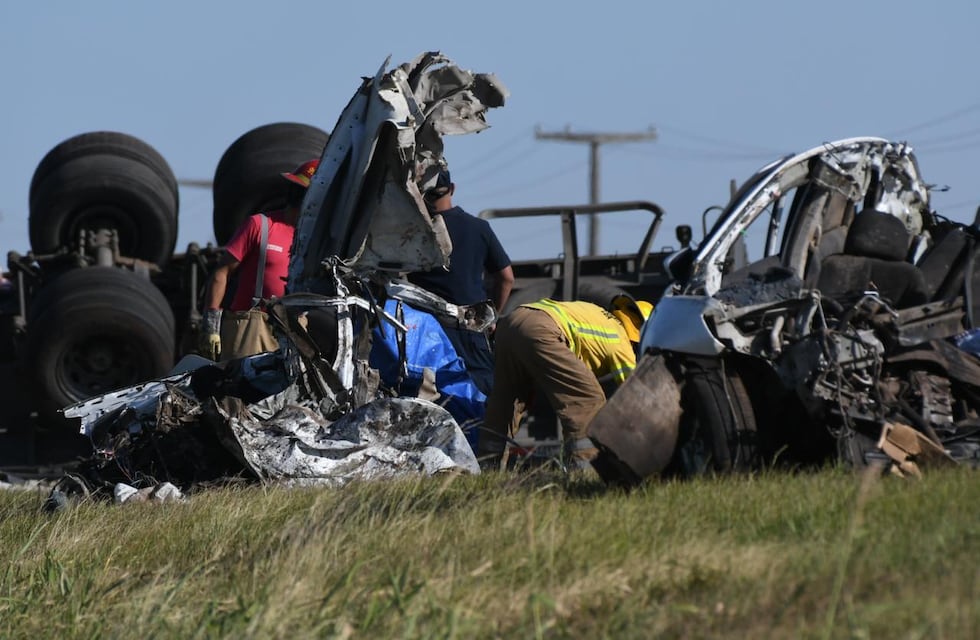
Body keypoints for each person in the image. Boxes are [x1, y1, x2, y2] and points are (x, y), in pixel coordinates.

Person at [477, 294, 653, 470]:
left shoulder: (601, 317)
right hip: (540, 329)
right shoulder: (621, 339)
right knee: (587, 400)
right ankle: (585, 470)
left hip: (510, 323)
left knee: (506, 401)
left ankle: (488, 465)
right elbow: (633, 393)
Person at [407, 166, 515, 395]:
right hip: (471, 327)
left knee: (427, 393)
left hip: (427, 331)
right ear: (452, 189)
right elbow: (506, 278)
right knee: (482, 394)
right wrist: (492, 316)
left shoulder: (412, 232)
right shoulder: (479, 228)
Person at [200, 158, 319, 362]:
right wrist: (212, 325)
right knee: (240, 390)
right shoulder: (259, 225)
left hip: (295, 330)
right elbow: (222, 272)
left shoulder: (316, 239)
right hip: (251, 327)